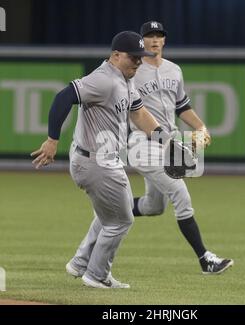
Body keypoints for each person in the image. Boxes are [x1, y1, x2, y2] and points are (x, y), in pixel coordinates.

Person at [64, 22, 234, 280]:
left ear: (164, 40)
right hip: (143, 144)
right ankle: (205, 258)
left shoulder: (174, 71)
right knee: (181, 195)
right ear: (142, 43)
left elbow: (182, 105)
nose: (155, 40)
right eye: (149, 36)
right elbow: (134, 112)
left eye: (159, 36)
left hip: (167, 139)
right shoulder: (131, 71)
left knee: (152, 206)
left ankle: (82, 256)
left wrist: (201, 127)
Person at [31, 31, 170, 289]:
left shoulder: (125, 79)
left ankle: (81, 262)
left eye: (141, 58)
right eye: (133, 58)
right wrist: (52, 139)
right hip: (95, 161)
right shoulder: (104, 80)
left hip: (101, 159)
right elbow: (64, 97)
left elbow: (139, 115)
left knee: (118, 209)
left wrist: (168, 142)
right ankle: (96, 275)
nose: (138, 63)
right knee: (121, 220)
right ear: (116, 55)